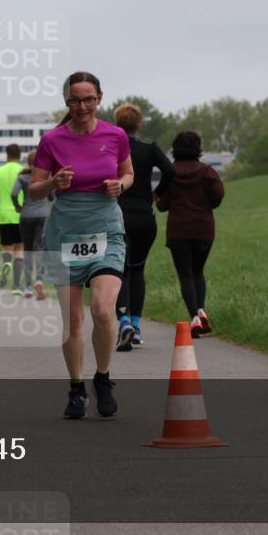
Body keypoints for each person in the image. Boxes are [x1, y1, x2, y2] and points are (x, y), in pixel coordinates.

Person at [29, 71, 133, 420]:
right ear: (67, 102)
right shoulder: (52, 140)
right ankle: (76, 388)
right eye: (75, 100)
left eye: (89, 99)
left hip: (105, 228)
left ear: (100, 99)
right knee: (72, 319)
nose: (82, 106)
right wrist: (54, 182)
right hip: (65, 232)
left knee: (103, 310)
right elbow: (34, 189)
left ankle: (102, 378)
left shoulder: (115, 134)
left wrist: (121, 184)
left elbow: (128, 173)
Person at [113, 103, 175, 350]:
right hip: (144, 218)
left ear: (117, 123)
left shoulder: (113, 148)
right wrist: (156, 194)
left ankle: (124, 320)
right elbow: (170, 170)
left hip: (118, 216)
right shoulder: (149, 149)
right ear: (138, 124)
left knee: (120, 271)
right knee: (138, 270)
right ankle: (136, 327)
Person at [156, 132, 223, 339]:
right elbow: (218, 195)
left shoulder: (170, 173)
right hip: (203, 229)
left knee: (185, 274)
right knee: (198, 271)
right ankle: (201, 310)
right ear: (198, 148)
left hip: (179, 230)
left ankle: (194, 316)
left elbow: (161, 204)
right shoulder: (207, 171)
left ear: (175, 149)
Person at [11, 149, 52, 300]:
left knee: (27, 249)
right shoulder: (46, 177)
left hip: (26, 215)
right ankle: (39, 279)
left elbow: (14, 193)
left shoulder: (22, 177)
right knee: (39, 247)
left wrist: (18, 205)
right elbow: (52, 195)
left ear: (28, 162)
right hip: (42, 215)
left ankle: (28, 287)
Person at [0, 143, 26, 294]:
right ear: (19, 155)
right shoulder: (24, 172)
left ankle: (6, 263)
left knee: (6, 247)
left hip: (4, 215)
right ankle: (17, 285)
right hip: (21, 214)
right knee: (20, 249)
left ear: (7, 155)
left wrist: (0, 206)